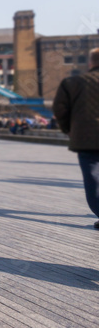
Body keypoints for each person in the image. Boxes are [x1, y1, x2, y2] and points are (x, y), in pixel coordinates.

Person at [53, 48, 99, 229]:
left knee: (93, 178)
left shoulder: (72, 82)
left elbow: (59, 110)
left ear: (90, 63)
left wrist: (69, 129)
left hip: (86, 138)